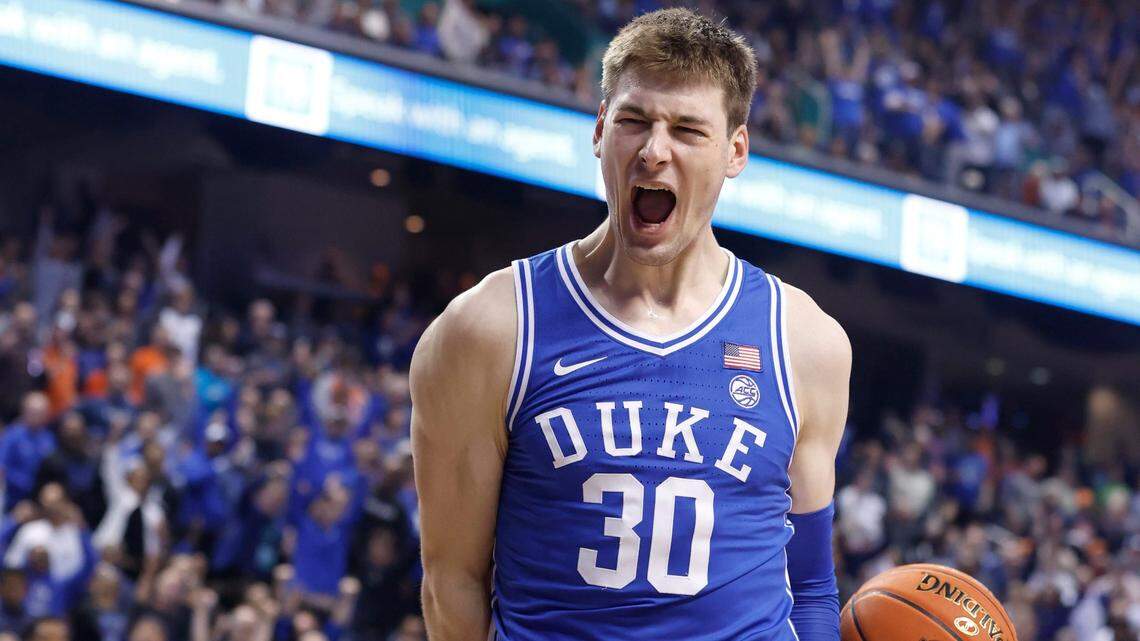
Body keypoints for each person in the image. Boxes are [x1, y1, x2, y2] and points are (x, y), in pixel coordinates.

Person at [411, 8, 851, 641]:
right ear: (599, 132)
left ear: (735, 151)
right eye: (634, 121)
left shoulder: (804, 342)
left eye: (688, 130)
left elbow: (809, 586)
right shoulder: (490, 329)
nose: (653, 150)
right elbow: (451, 582)